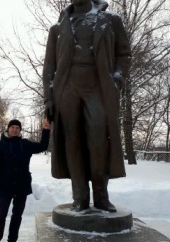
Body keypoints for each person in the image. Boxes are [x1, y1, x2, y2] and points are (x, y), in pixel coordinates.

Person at [43, 0, 131, 212]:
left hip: (98, 85)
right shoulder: (58, 28)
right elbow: (49, 66)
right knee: (72, 143)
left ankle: (101, 196)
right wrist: (49, 98)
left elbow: (124, 54)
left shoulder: (110, 20)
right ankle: (80, 197)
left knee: (99, 140)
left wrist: (117, 78)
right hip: (67, 87)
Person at [0, 119, 50, 242]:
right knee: (1, 216)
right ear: (8, 129)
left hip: (22, 186)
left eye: (17, 128)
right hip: (5, 186)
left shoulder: (25, 144)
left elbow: (42, 146)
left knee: (17, 216)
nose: (15, 129)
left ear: (20, 130)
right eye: (12, 127)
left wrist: (46, 130)